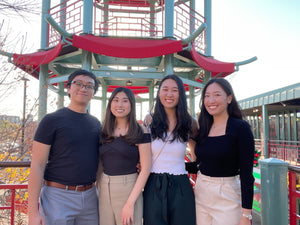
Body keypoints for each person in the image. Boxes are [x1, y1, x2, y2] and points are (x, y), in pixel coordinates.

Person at [28, 69, 101, 225]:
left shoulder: (96, 123)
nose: (83, 88)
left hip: (89, 196)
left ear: (93, 92)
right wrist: (33, 211)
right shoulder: (51, 120)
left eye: (89, 86)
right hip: (57, 196)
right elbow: (38, 164)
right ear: (68, 88)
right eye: (78, 84)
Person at [192, 78, 254, 225]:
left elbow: (246, 174)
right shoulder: (204, 127)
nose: (211, 100)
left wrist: (246, 215)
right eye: (206, 96)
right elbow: (202, 164)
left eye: (217, 95)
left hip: (227, 194)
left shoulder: (240, 128)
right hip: (201, 191)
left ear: (229, 98)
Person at [143, 74, 197, 225]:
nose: (169, 94)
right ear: (159, 93)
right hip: (153, 183)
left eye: (175, 90)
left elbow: (198, 156)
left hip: (180, 183)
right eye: (165, 89)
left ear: (181, 94)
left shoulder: (190, 122)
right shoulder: (150, 120)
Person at [97, 87, 151, 225]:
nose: (119, 105)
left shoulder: (140, 131)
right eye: (115, 100)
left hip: (129, 188)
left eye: (125, 101)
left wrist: (130, 203)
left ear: (131, 105)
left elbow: (145, 168)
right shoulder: (104, 131)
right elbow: (100, 164)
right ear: (110, 104)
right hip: (104, 187)